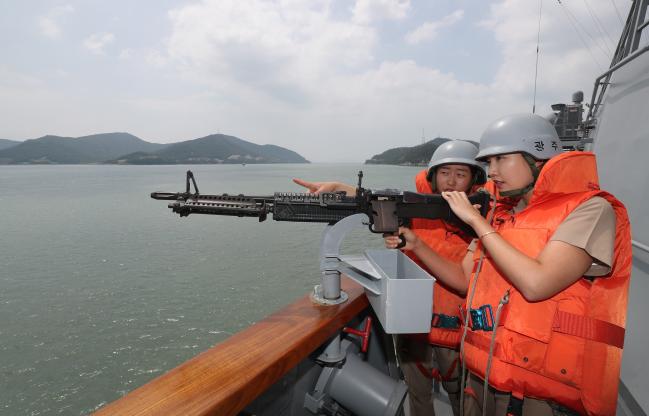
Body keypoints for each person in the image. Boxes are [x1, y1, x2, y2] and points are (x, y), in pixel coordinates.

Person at [385, 113, 631, 415]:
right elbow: (464, 279)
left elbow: (537, 284)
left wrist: (475, 221)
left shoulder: (590, 209)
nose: (492, 172)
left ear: (537, 157)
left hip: (534, 392)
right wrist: (418, 245)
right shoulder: (501, 214)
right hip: (483, 374)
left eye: (501, 159)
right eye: (489, 163)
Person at [295, 140, 487, 416]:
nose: (452, 181)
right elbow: (376, 202)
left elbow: (467, 279)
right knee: (418, 394)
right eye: (445, 172)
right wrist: (339, 187)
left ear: (473, 180)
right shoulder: (416, 207)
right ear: (433, 176)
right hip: (413, 324)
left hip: (456, 332)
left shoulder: (480, 216)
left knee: (461, 398)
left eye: (461, 173)